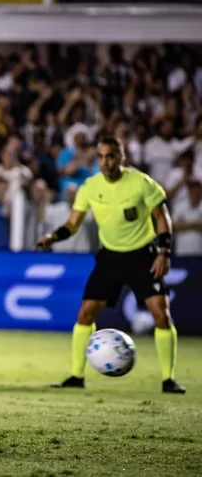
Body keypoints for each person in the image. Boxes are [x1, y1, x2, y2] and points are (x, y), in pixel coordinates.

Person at [37, 137, 185, 394]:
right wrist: (53, 237)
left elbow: (162, 217)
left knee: (162, 315)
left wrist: (164, 252)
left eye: (111, 156)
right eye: (101, 157)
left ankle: (168, 380)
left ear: (122, 157)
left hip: (143, 255)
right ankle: (76, 376)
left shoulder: (141, 183)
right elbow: (73, 223)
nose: (106, 162)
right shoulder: (90, 187)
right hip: (110, 257)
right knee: (85, 314)